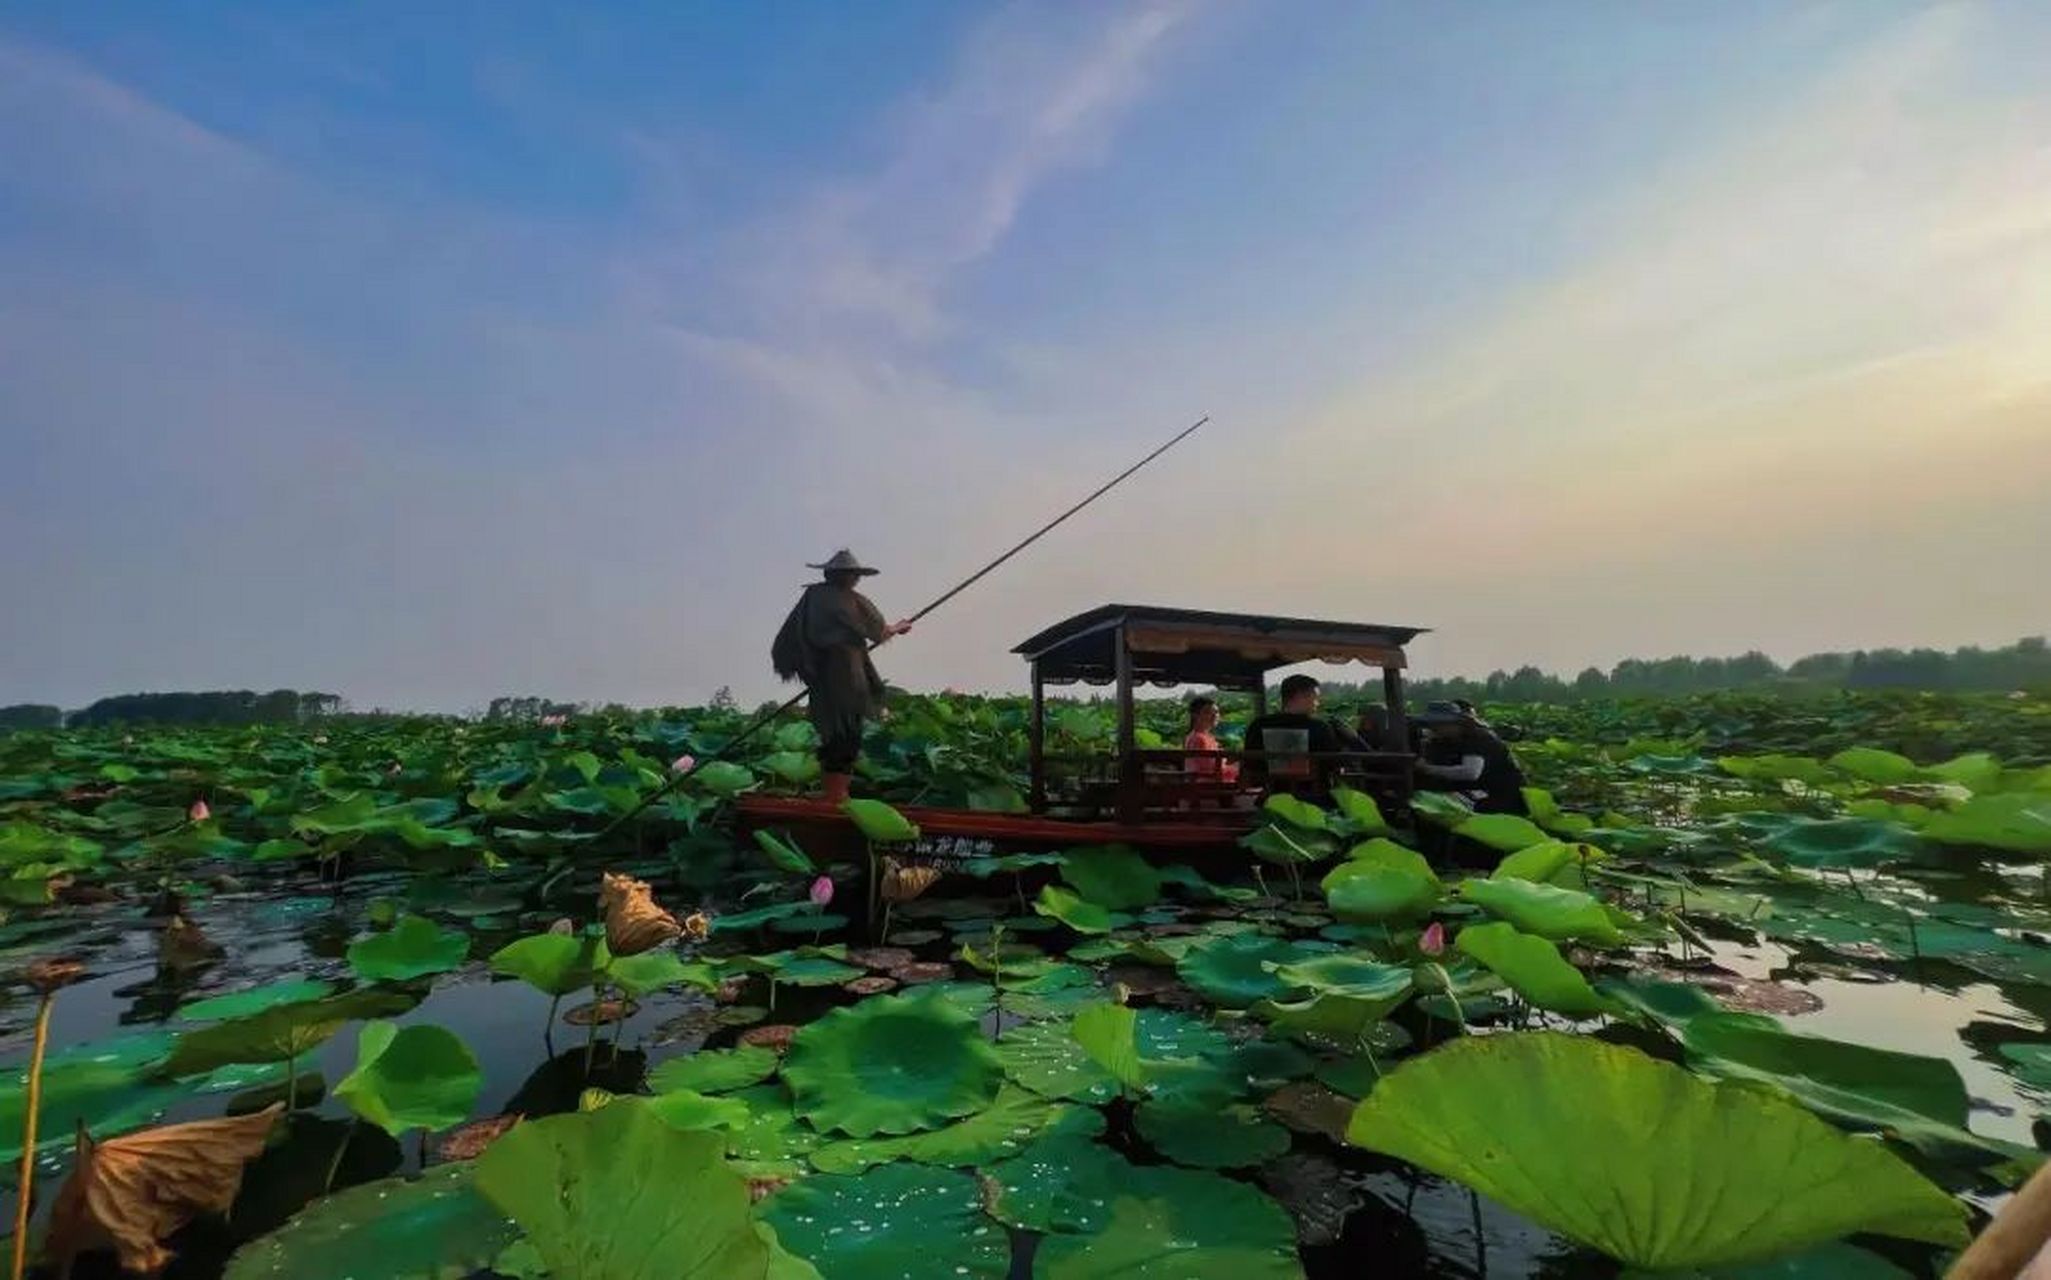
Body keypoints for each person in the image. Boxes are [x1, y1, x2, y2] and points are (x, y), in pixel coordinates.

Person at [770, 550, 913, 803]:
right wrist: (898, 628)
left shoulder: (812, 596)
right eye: (854, 575)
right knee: (846, 733)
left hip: (819, 674)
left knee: (831, 733)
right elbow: (878, 631)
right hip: (846, 673)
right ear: (849, 576)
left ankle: (832, 793)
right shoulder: (852, 600)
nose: (856, 580)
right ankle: (837, 796)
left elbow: (787, 639)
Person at [1239, 674, 1368, 792]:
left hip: (1273, 795)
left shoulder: (1258, 725)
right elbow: (1333, 764)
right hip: (1314, 798)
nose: (1318, 703)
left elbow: (1250, 764)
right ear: (1300, 696)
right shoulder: (1320, 727)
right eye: (1315, 698)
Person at [1413, 702, 1529, 815]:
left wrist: (1427, 768)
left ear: (1457, 723)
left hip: (1503, 793)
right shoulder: (1442, 740)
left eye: (1440, 724)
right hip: (1477, 791)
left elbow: (1470, 772)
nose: (1435, 728)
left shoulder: (1478, 737)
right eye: (1432, 724)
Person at [1182, 696, 1239, 784]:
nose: (1214, 715)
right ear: (1195, 715)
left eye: (1216, 712)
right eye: (1207, 712)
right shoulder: (1198, 739)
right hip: (1209, 787)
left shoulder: (1202, 737)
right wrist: (1237, 768)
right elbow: (1212, 771)